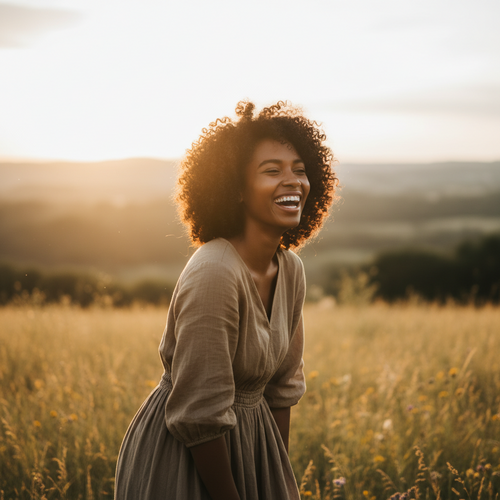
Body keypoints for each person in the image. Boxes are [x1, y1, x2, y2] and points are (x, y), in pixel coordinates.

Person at [114, 100, 337, 500]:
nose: (293, 181)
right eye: (272, 171)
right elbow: (199, 413)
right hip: (189, 457)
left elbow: (282, 390)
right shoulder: (215, 272)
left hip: (255, 448)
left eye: (300, 170)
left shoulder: (290, 271)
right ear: (235, 189)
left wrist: (273, 478)